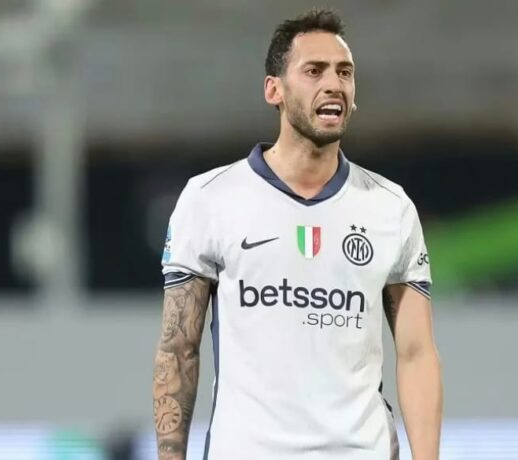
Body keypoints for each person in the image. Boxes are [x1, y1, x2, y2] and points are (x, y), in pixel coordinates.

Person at [153, 8, 442, 460]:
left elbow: (416, 353)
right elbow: (178, 349)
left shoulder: (391, 208)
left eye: (344, 72)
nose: (334, 84)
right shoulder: (209, 199)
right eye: (314, 71)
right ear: (275, 90)